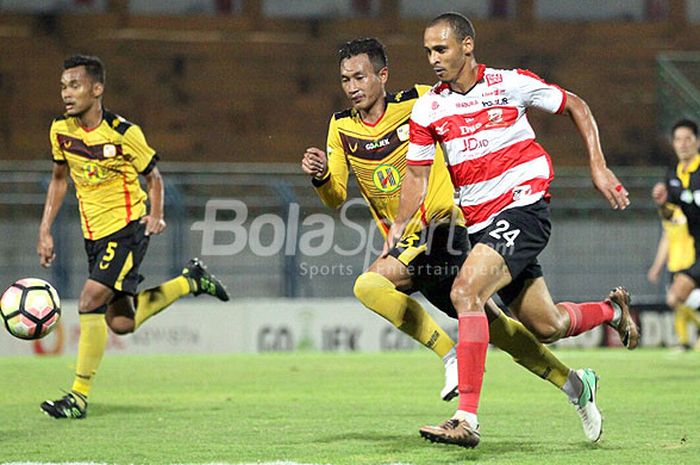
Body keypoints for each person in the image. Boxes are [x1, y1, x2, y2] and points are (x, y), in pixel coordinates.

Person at [302, 38, 603, 443]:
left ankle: (450, 358)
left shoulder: (421, 102)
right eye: (345, 79)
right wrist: (321, 175)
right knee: (508, 329)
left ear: (382, 76)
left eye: (360, 77)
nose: (352, 86)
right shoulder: (341, 127)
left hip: (447, 229)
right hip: (408, 242)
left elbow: (467, 110)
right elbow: (336, 196)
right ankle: (575, 385)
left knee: (369, 283)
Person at [385, 13, 638, 448]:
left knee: (467, 291)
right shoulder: (429, 108)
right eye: (428, 51)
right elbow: (416, 176)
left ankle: (466, 418)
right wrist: (400, 223)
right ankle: (612, 313)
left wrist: (598, 166)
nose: (433, 59)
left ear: (467, 45)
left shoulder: (510, 83)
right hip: (484, 227)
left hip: (524, 208)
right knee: (547, 325)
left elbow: (576, 104)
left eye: (441, 49)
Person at [37, 55, 230, 419]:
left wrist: (155, 214)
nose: (67, 93)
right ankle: (191, 282)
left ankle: (77, 396)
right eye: (63, 86)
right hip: (93, 234)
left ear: (97, 89)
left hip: (127, 229)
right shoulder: (60, 130)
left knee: (90, 297)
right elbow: (59, 179)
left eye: (75, 85)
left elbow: (154, 178)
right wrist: (44, 228)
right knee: (120, 322)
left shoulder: (125, 133)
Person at [652, 119, 700, 350]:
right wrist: (662, 203)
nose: (683, 144)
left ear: (697, 142)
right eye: (678, 139)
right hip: (697, 250)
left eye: (688, 139)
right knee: (674, 298)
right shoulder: (673, 175)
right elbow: (669, 217)